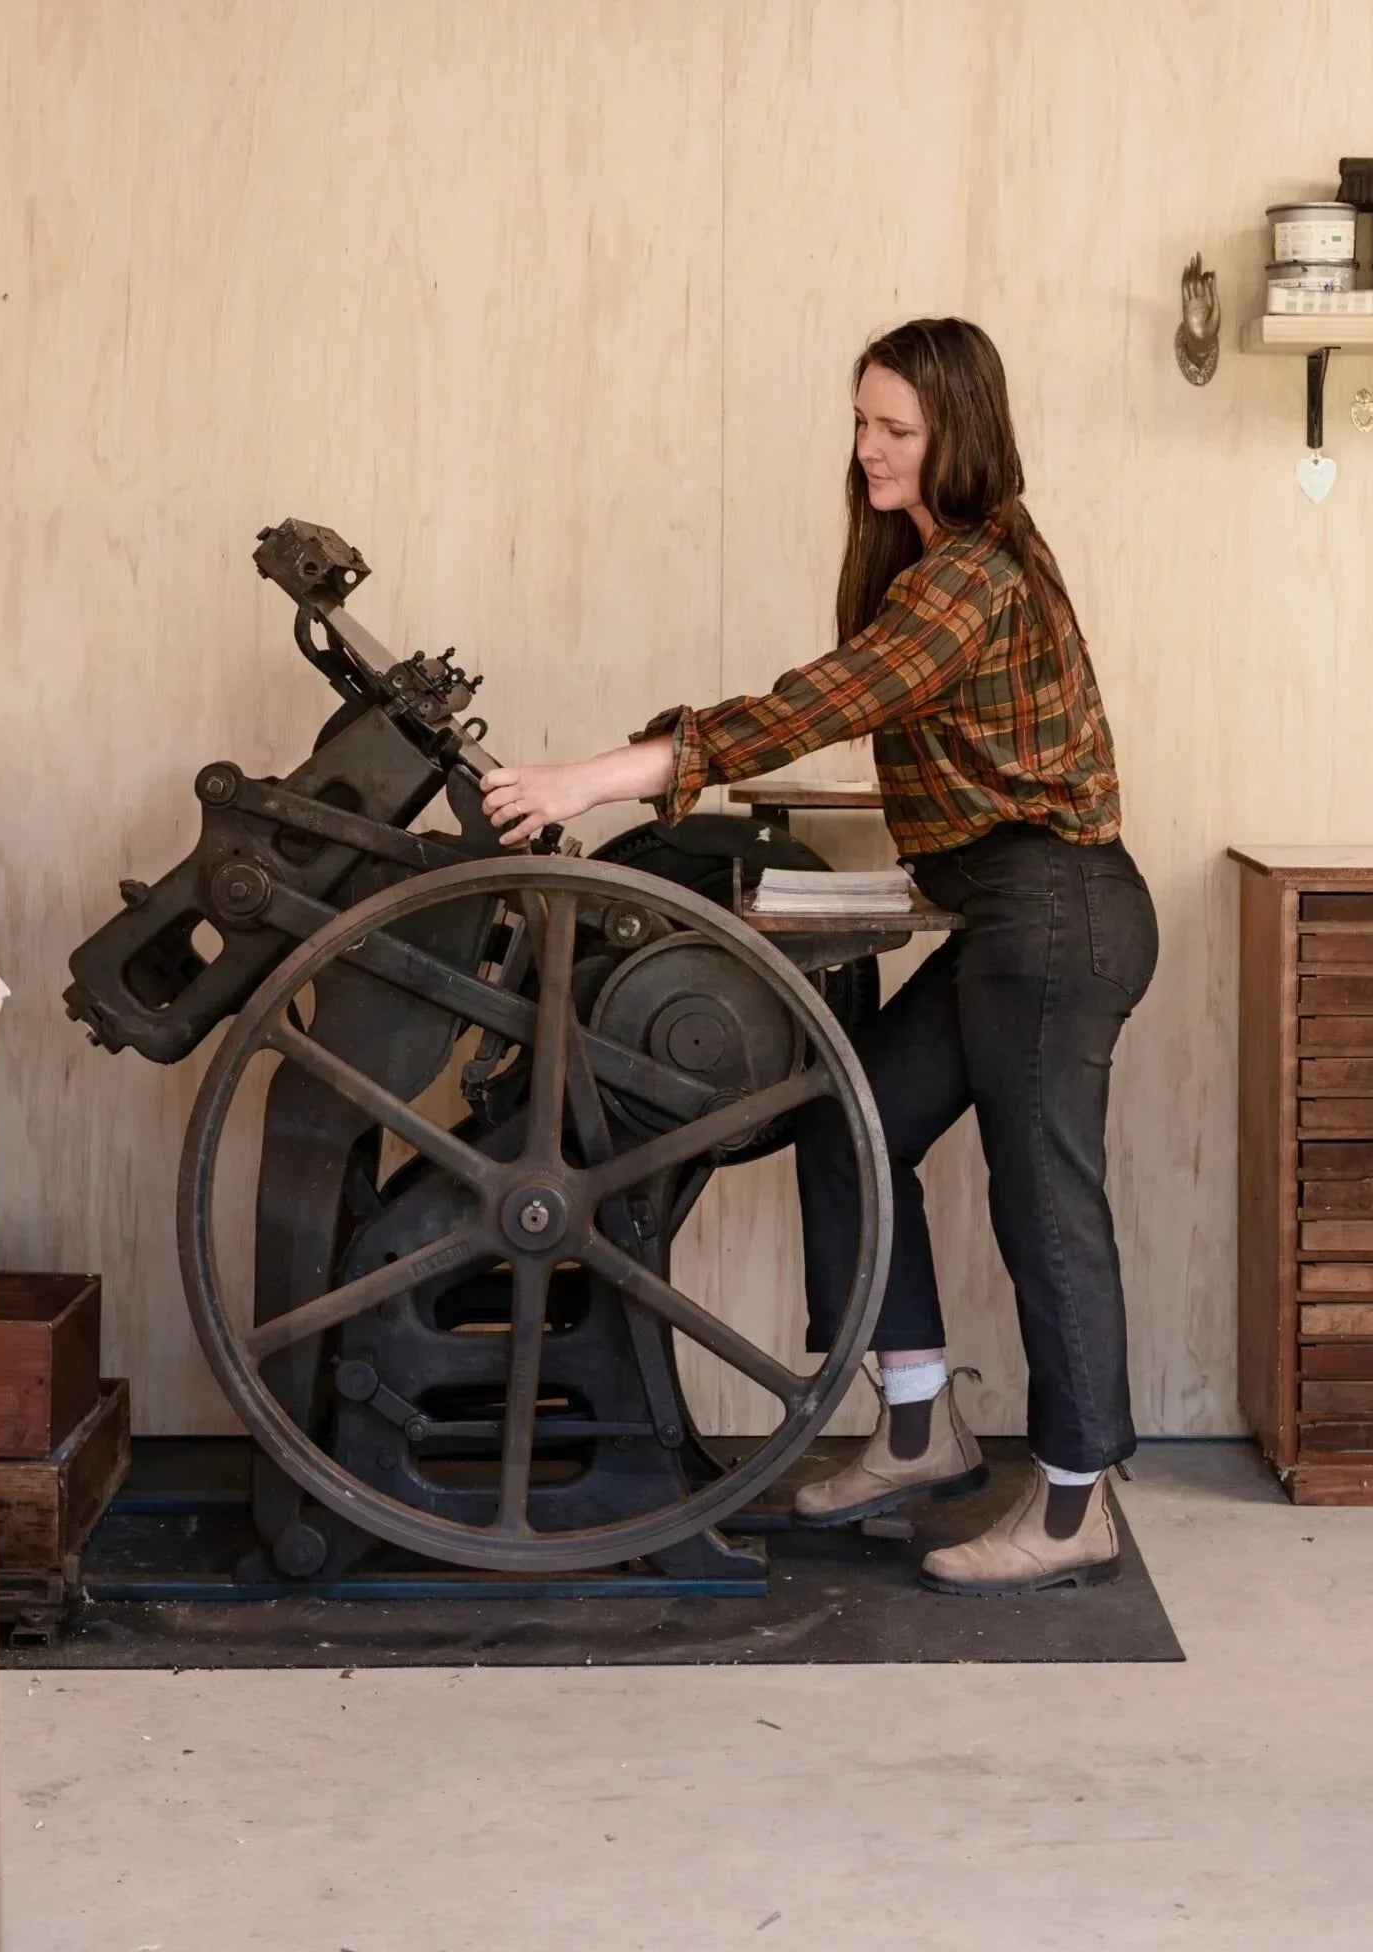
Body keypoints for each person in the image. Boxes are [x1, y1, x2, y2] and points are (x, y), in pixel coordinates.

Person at [481, 316, 1158, 1595]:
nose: (867, 452)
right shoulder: (943, 566)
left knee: (1044, 1196)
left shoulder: (967, 575)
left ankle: (1076, 1503)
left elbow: (820, 702)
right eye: (860, 422)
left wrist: (593, 780)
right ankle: (916, 1428)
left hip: (1054, 918)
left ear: (962, 431)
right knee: (849, 1124)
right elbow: (919, 739)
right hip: (1009, 910)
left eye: (896, 429)